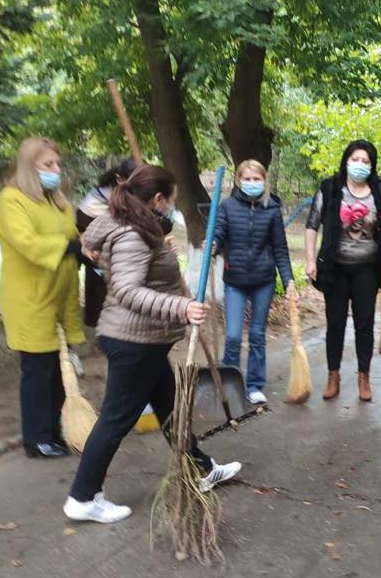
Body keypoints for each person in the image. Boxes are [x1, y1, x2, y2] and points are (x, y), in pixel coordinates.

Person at [63, 165, 240, 523]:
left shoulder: (129, 223)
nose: (171, 207)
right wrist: (182, 306)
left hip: (145, 339)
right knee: (115, 418)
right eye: (171, 200)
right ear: (157, 200)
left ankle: (201, 468)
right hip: (134, 341)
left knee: (170, 408)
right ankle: (83, 497)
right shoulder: (132, 233)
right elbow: (128, 290)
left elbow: (98, 249)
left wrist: (161, 252)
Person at [0, 136, 85, 460]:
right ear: (30, 167)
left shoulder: (56, 202)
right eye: (48, 165)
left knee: (60, 370)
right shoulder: (11, 200)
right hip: (30, 299)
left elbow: (74, 237)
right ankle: (36, 439)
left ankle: (56, 431)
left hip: (60, 297)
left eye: (57, 164)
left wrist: (85, 251)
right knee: (38, 371)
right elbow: (27, 242)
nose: (56, 170)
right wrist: (70, 248)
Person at [304, 139, 381, 403]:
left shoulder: (380, 190)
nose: (359, 165)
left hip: (367, 269)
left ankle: (363, 378)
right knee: (335, 323)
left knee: (364, 324)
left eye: (365, 161)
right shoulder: (330, 188)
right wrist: (310, 260)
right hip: (335, 268)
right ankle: (333, 376)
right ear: (346, 161)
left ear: (372, 165)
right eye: (355, 160)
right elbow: (312, 226)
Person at [212, 159, 295, 405]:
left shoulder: (271, 209)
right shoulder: (227, 207)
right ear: (238, 181)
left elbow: (280, 248)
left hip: (263, 280)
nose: (251, 183)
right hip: (235, 280)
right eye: (246, 179)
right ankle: (231, 383)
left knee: (257, 334)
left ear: (264, 181)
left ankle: (255, 384)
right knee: (234, 336)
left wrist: (288, 279)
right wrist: (213, 245)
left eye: (256, 179)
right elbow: (218, 233)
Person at [76, 158, 138, 327]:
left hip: (124, 264)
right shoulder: (96, 200)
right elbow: (83, 230)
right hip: (99, 260)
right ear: (120, 179)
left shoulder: (132, 197)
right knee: (103, 310)